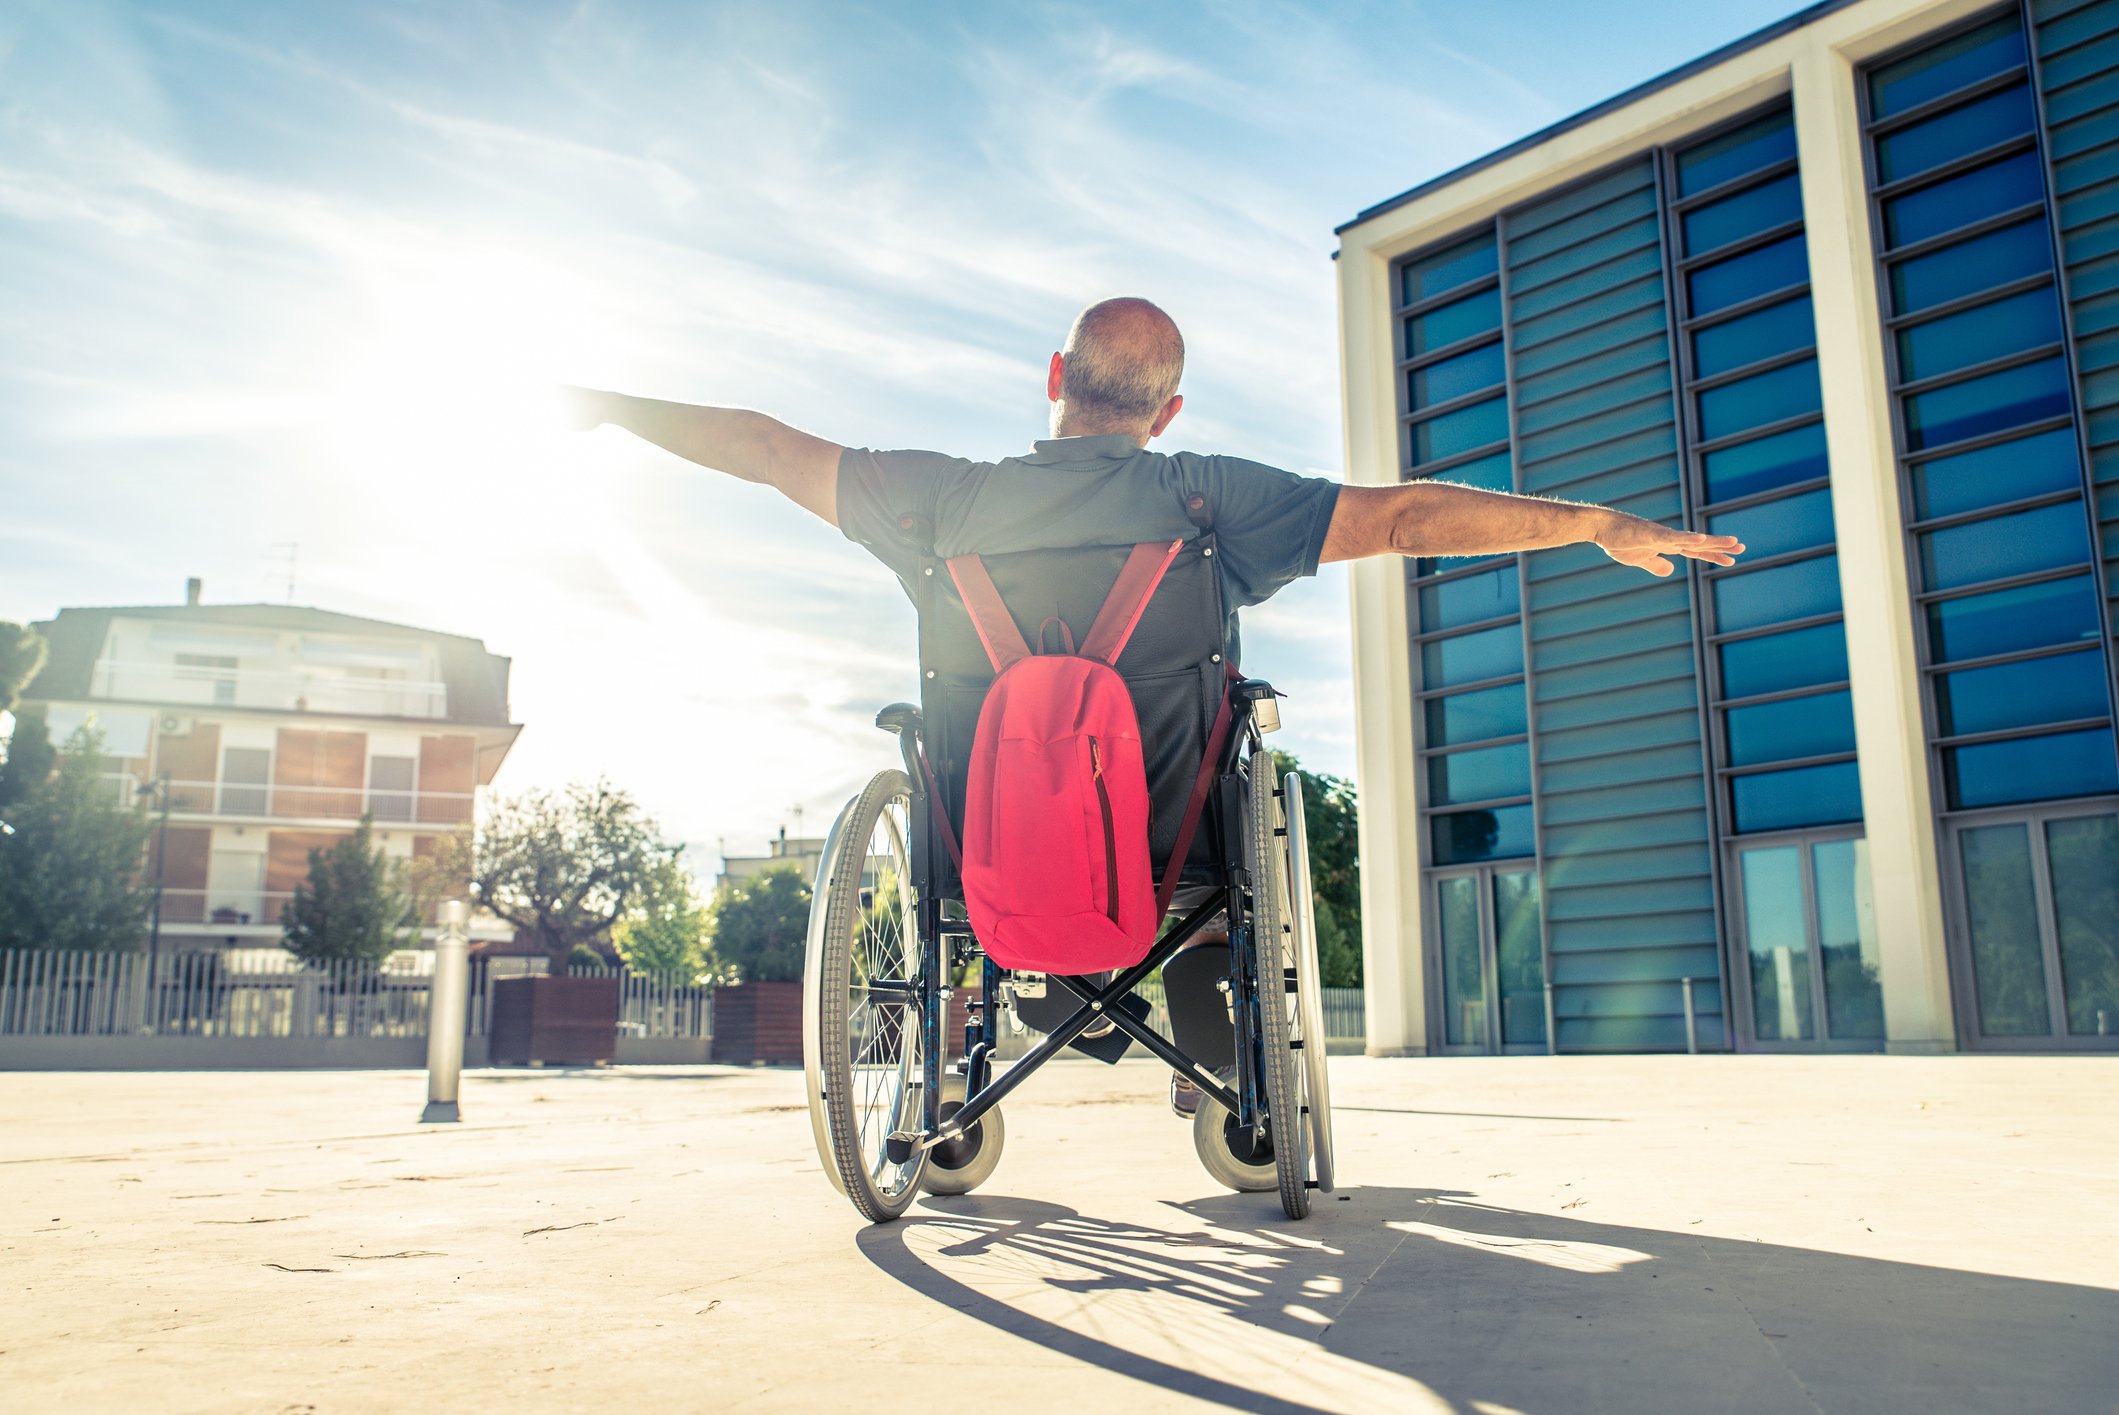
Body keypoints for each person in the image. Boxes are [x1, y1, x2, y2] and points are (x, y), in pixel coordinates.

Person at [563, 296, 1743, 1115]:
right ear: (1165, 412)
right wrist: (1592, 523)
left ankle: (987, 1031)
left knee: (996, 826)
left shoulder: (935, 499)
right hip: (1171, 852)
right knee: (1216, 839)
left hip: (981, 851)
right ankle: (1212, 1057)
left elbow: (768, 444)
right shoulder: (1207, 501)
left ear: (1053, 382)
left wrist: (609, 406)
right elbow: (1403, 515)